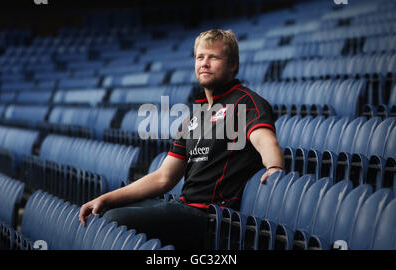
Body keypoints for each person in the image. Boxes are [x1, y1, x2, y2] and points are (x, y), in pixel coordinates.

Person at [78, 29, 284, 250]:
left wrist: (274, 166)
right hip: (185, 206)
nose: (204, 63)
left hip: (210, 215)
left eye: (213, 57)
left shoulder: (247, 101)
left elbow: (265, 139)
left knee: (115, 220)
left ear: (233, 65)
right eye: (200, 57)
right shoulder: (195, 115)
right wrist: (106, 198)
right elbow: (163, 177)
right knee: (106, 210)